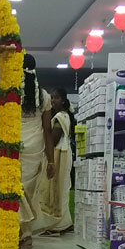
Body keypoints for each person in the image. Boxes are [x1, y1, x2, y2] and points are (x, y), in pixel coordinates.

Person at [18, 54, 54, 249]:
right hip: (36, 146)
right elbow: (47, 129)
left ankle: (22, 234)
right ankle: (26, 235)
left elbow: (0, 124)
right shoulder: (44, 96)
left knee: (16, 190)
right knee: (29, 193)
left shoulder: (12, 93)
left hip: (15, 145)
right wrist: (51, 161)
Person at [37, 87, 74, 235]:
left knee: (56, 190)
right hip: (62, 154)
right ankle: (65, 222)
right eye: (52, 98)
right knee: (60, 189)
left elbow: (54, 139)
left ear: (63, 100)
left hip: (59, 156)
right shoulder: (63, 115)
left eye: (56, 98)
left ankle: (57, 225)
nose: (53, 101)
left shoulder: (60, 117)